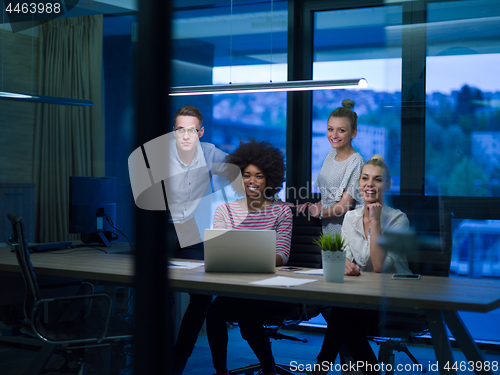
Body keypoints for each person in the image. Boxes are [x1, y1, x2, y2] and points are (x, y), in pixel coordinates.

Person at [311, 155, 411, 375]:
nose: (370, 184)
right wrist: (344, 262)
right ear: (358, 183)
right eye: (365, 178)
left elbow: (378, 266)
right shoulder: (350, 218)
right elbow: (341, 256)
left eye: (377, 179)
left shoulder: (398, 220)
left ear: (388, 184)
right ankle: (325, 369)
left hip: (393, 300)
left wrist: (375, 220)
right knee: (344, 317)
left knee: (345, 322)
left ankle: (320, 369)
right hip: (361, 297)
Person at [206, 139, 293, 375]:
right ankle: (220, 371)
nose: (252, 181)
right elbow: (219, 251)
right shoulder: (224, 210)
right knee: (214, 313)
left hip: (270, 289)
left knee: (247, 316)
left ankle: (269, 370)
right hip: (237, 287)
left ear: (270, 179)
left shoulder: (282, 210)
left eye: (259, 176)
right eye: (246, 175)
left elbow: (281, 255)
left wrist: (242, 255)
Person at [166, 105, 228, 375]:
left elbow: (240, 165)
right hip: (164, 231)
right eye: (181, 129)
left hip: (194, 232)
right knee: (157, 295)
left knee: (201, 298)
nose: (186, 135)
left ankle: (178, 359)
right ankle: (159, 353)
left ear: (200, 131)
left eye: (192, 129)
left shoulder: (210, 151)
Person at [297, 99, 365, 236]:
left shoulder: (357, 161)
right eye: (330, 129)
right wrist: (314, 206)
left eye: (341, 130)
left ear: (353, 133)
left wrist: (320, 213)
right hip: (329, 229)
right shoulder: (331, 154)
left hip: (349, 232)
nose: (334, 135)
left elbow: (343, 206)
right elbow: (330, 196)